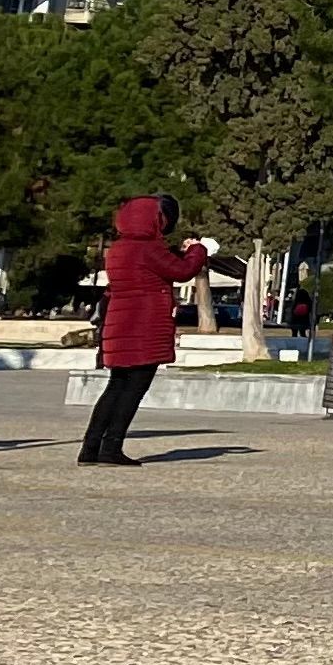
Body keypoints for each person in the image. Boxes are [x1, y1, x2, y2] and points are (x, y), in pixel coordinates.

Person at [80, 195, 214, 467]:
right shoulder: (148, 248)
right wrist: (199, 250)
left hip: (121, 324)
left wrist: (181, 251)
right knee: (133, 390)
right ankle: (112, 448)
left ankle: (90, 448)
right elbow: (183, 271)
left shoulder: (120, 248)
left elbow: (158, 268)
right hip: (144, 326)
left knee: (116, 386)